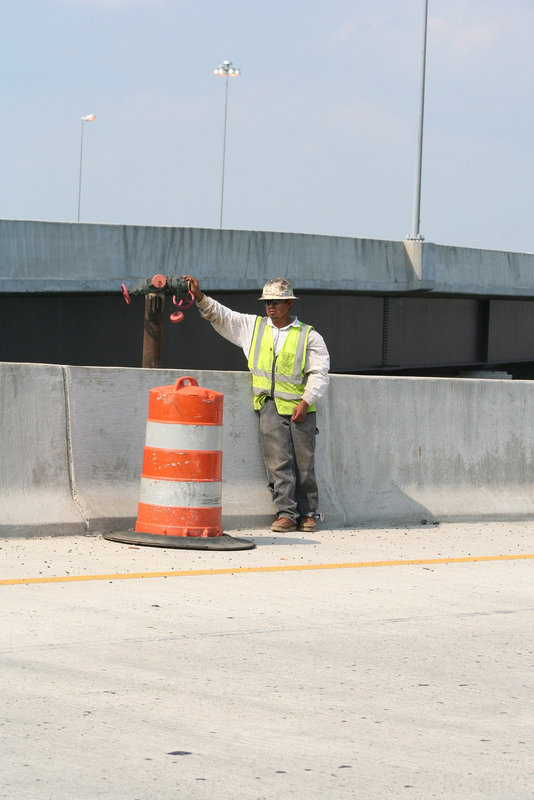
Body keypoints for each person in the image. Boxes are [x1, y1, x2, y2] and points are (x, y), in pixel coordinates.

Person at [183, 275, 330, 533]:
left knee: (304, 465)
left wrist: (306, 401)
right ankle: (286, 514)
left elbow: (319, 373)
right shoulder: (254, 327)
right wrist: (199, 297)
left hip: (300, 407)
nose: (270, 306)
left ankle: (308, 514)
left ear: (289, 304)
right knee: (278, 464)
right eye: (267, 302)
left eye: (276, 301)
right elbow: (223, 316)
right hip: (270, 406)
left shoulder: (309, 336)